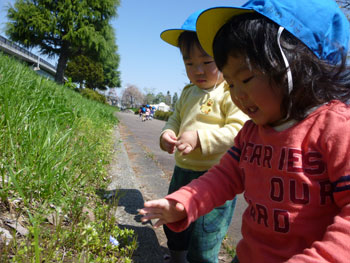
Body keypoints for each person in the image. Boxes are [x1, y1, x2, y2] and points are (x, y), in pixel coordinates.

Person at [139, 0, 350, 262]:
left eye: (246, 78)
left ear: (300, 65)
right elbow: (223, 176)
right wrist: (185, 201)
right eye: (230, 83)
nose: (237, 94)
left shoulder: (336, 129)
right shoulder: (252, 133)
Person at [157, 9, 248, 263]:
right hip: (182, 172)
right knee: (174, 221)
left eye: (207, 62)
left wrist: (200, 138)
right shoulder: (187, 93)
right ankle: (176, 257)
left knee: (205, 235)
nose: (198, 70)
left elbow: (238, 131)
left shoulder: (229, 92)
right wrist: (167, 134)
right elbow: (175, 119)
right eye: (188, 63)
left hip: (216, 177)